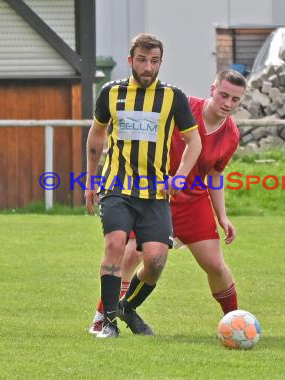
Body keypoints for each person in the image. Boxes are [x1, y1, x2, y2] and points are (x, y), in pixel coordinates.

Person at [89, 69, 247, 334]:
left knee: (215, 265)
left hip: (193, 201)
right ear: (212, 89)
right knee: (132, 254)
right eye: (224, 95)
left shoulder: (231, 133)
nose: (228, 104)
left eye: (235, 100)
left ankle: (237, 323)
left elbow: (216, 175)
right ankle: (101, 319)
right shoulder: (183, 107)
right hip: (154, 196)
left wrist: (222, 216)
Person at [85, 33, 202, 339]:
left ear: (160, 62)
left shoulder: (173, 97)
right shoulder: (111, 92)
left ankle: (126, 307)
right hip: (116, 186)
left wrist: (179, 175)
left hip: (156, 193)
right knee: (114, 244)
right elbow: (96, 137)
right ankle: (107, 322)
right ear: (130, 61)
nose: (148, 67)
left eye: (154, 61)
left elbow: (194, 141)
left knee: (156, 259)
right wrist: (89, 181)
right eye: (141, 60)